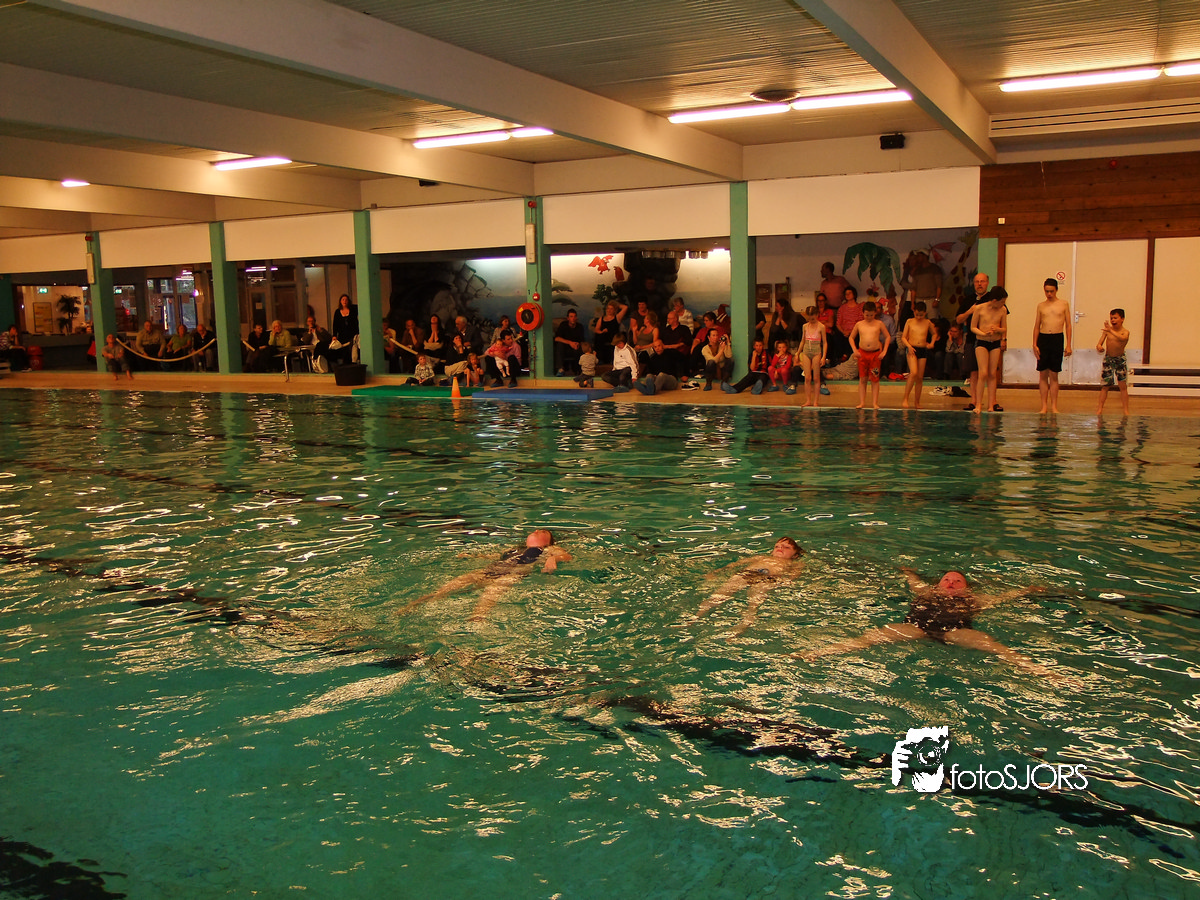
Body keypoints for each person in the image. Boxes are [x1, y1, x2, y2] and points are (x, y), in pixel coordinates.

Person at [804, 568, 1058, 678]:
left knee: (994, 646)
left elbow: (1004, 597)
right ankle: (819, 653)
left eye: (957, 581)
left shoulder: (974, 600)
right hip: (915, 628)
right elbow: (913, 581)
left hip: (955, 632)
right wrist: (907, 571)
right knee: (871, 637)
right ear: (938, 584)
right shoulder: (926, 592)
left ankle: (1043, 672)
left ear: (966, 587)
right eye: (947, 579)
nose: (951, 583)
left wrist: (1027, 590)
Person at [400, 529, 571, 622]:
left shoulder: (548, 549)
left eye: (542, 531)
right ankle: (415, 604)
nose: (536, 530)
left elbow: (566, 556)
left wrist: (553, 559)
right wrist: (474, 556)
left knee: (492, 592)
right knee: (454, 584)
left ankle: (476, 619)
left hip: (515, 572)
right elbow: (496, 556)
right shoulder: (514, 549)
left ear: (548, 541)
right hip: (492, 569)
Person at [694, 537, 803, 636]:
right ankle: (696, 616)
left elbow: (794, 575)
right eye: (777, 546)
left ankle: (743, 625)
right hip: (747, 574)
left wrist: (785, 582)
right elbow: (735, 564)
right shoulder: (761, 557)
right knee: (719, 594)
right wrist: (716, 572)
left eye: (786, 547)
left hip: (769, 579)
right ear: (772, 551)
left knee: (753, 603)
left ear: (795, 555)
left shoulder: (795, 564)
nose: (780, 548)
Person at [1033, 278, 1073, 414]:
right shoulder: (1041, 306)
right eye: (1046, 291)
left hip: (1057, 338)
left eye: (1051, 291)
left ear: (1056, 290)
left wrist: (1068, 345)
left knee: (1054, 374)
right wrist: (1034, 344)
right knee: (1043, 374)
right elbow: (1037, 326)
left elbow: (1068, 325)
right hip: (1043, 338)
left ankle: (1054, 406)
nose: (1049, 294)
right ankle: (1044, 406)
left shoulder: (1063, 304)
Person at [971, 287, 1008, 413]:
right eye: (1002, 302)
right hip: (982, 342)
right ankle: (978, 404)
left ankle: (991, 404)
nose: (1003, 304)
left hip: (995, 343)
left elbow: (1004, 329)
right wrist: (983, 333)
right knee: (983, 373)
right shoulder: (979, 308)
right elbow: (973, 327)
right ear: (994, 300)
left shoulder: (1003, 310)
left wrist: (998, 330)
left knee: (992, 374)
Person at [956, 272, 990, 408]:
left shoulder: (992, 299)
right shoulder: (969, 300)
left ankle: (991, 402)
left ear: (987, 283)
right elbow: (958, 319)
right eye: (977, 282)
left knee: (989, 372)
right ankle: (974, 401)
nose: (979, 284)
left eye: (982, 281)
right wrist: (970, 311)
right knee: (973, 371)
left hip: (989, 340)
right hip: (972, 339)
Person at [850, 300, 891, 409]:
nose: (869, 317)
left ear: (875, 313)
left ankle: (874, 403)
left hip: (875, 355)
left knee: (875, 379)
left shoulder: (879, 323)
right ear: (863, 313)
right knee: (863, 379)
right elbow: (851, 338)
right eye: (867, 315)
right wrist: (855, 350)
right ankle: (862, 402)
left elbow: (888, 337)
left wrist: (884, 351)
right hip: (862, 354)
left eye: (871, 315)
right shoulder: (859, 324)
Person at [789, 305, 827, 406]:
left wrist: (823, 356)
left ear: (817, 315)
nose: (811, 319)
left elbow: (825, 343)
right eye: (809, 317)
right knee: (807, 378)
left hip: (816, 352)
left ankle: (815, 401)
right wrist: (797, 353)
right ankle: (808, 400)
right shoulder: (805, 326)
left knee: (816, 378)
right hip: (806, 351)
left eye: (813, 317)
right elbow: (802, 341)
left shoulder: (821, 327)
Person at [900, 301, 935, 409]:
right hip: (912, 349)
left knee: (919, 377)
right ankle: (905, 398)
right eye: (917, 314)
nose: (919, 317)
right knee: (914, 372)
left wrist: (932, 343)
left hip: (923, 350)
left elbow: (934, 333)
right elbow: (903, 337)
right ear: (914, 312)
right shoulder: (909, 321)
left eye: (921, 315)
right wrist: (909, 346)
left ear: (925, 313)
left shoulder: (928, 322)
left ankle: (917, 402)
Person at [1097, 308, 1131, 416]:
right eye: (1111, 318)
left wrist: (1110, 331)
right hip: (1109, 359)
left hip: (1120, 360)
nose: (1113, 320)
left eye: (1115, 318)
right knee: (1105, 386)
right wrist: (1099, 346)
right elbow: (1099, 343)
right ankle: (1100, 409)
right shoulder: (1107, 331)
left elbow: (1122, 338)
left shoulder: (1125, 332)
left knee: (1122, 386)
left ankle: (1125, 410)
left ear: (1122, 319)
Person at [591, 300, 627, 366]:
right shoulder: (601, 319)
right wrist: (602, 332)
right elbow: (596, 330)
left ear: (614, 310)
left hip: (613, 340)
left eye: (611, 309)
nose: (609, 310)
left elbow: (625, 307)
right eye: (608, 308)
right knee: (598, 336)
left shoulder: (617, 318)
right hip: (603, 340)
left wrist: (616, 304)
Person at [835, 286, 864, 364]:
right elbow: (838, 323)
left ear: (854, 294)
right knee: (837, 336)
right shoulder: (842, 308)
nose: (847, 295)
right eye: (846, 294)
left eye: (849, 293)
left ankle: (847, 356)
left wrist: (852, 331)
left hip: (855, 331)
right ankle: (840, 358)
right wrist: (843, 331)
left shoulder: (859, 307)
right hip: (843, 331)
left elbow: (860, 322)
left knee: (854, 337)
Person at [553, 309, 585, 375]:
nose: (573, 318)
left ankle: (578, 370)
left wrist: (577, 344)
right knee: (559, 345)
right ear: (568, 318)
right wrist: (570, 343)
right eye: (571, 316)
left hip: (575, 348)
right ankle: (560, 369)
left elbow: (582, 341)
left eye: (574, 316)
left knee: (580, 348)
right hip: (565, 347)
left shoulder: (579, 326)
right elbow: (557, 338)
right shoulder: (563, 325)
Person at [331, 294, 358, 367]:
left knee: (351, 348)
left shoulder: (353, 310)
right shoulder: (337, 312)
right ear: (340, 301)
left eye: (346, 300)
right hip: (342, 334)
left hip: (352, 334)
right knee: (343, 349)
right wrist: (334, 335)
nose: (344, 301)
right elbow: (335, 324)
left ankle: (352, 364)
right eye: (343, 299)